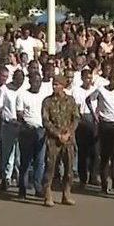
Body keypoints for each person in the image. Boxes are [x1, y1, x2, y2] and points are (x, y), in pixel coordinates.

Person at [41, 75, 79, 207]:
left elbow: (76, 118)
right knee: (50, 167)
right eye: (53, 84)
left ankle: (66, 193)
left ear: (63, 86)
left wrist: (69, 132)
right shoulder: (47, 102)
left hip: (68, 139)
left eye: (57, 84)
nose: (54, 86)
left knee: (69, 168)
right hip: (53, 139)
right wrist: (57, 134)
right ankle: (47, 193)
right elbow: (46, 121)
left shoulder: (70, 101)